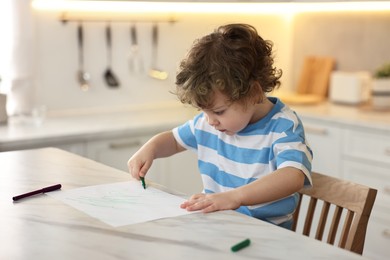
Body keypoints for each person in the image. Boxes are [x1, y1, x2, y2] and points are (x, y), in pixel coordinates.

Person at [128, 23, 313, 229]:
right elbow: (173, 140)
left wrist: (235, 197)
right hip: (220, 226)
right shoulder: (210, 124)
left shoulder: (283, 126)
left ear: (253, 93)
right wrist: (150, 149)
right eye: (203, 112)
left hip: (266, 234)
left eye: (219, 111)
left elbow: (293, 176)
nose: (209, 121)